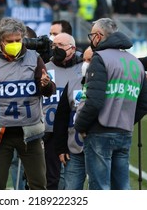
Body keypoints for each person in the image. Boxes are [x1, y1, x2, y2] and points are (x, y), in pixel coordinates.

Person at [0, 17, 56, 190]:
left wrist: (47, 85)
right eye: (10, 41)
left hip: (30, 134)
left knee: (39, 184)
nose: (15, 44)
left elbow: (48, 91)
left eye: (18, 40)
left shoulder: (34, 58)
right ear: (1, 40)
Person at [74, 18, 147, 190]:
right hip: (124, 132)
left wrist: (80, 125)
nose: (91, 39)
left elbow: (93, 101)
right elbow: (146, 103)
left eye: (92, 35)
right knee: (122, 188)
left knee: (100, 189)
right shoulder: (136, 62)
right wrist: (126, 120)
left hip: (99, 132)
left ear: (99, 36)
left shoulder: (100, 58)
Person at [42, 32, 82, 190]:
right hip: (50, 133)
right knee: (52, 179)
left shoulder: (82, 68)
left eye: (60, 45)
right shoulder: (44, 68)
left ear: (72, 49)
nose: (55, 48)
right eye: (53, 45)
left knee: (74, 178)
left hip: (75, 132)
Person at [53, 46, 93, 190]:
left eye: (90, 60)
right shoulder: (73, 82)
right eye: (84, 60)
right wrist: (61, 147)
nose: (85, 64)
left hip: (98, 148)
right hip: (74, 150)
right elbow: (62, 116)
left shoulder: (109, 82)